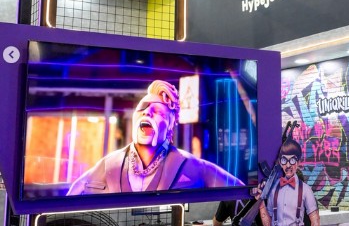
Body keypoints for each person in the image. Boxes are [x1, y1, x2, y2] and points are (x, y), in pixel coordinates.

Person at [67, 80, 242, 194]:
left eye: (157, 111)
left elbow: (242, 193)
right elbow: (69, 203)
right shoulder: (107, 165)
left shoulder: (194, 166)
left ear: (170, 126)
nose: (147, 113)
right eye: (142, 108)